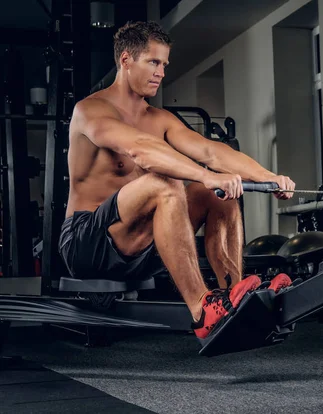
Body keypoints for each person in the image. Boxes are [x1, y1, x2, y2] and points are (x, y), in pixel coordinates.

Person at [58, 21, 296, 340]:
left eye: (164, 64)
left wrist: (269, 177)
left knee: (213, 193)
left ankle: (235, 297)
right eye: (153, 62)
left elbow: (211, 151)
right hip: (88, 245)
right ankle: (203, 310)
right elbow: (140, 148)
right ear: (126, 60)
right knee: (166, 182)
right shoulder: (90, 110)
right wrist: (207, 175)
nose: (161, 72)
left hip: (142, 246)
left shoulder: (160, 119)